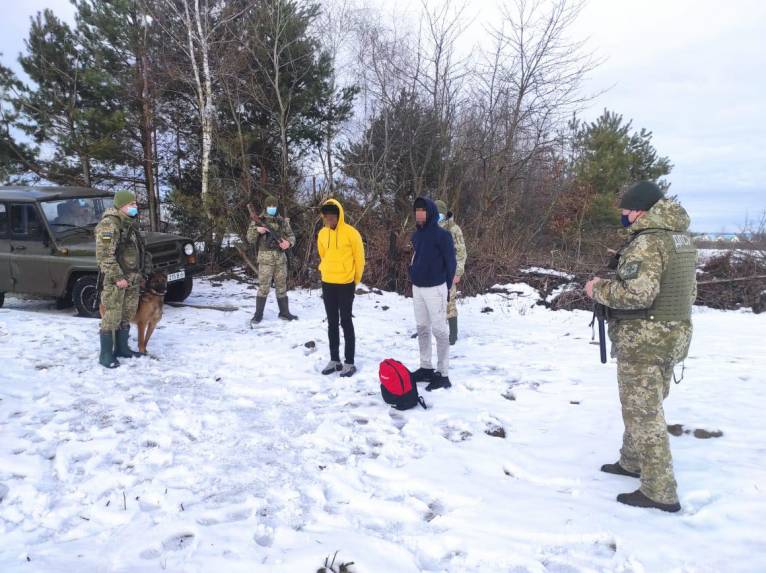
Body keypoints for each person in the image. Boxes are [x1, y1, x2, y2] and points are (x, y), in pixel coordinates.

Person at [584, 181, 697, 513]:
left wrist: (598, 288)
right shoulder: (681, 240)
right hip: (672, 335)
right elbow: (690, 293)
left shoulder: (647, 243)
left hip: (644, 341)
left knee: (643, 413)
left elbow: (638, 294)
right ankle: (631, 461)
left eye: (626, 211)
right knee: (644, 405)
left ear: (641, 211)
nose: (623, 216)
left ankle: (659, 490)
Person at [409, 197, 457, 391]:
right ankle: (426, 367)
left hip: (436, 288)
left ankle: (443, 373)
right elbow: (416, 257)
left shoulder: (443, 236)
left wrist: (445, 288)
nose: (419, 214)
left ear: (429, 212)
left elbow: (451, 263)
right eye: (416, 211)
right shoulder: (416, 236)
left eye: (422, 210)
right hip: (417, 288)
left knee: (440, 331)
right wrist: (411, 272)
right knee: (422, 328)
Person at [95, 191, 146, 368]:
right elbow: (104, 256)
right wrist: (117, 277)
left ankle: (122, 348)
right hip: (117, 280)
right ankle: (106, 355)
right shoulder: (109, 225)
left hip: (132, 278)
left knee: (127, 314)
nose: (135, 207)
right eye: (131, 204)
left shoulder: (128, 224)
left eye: (136, 204)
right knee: (112, 315)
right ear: (121, 205)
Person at [317, 198, 365, 377]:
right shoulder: (322, 233)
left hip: (346, 283)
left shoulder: (351, 233)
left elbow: (359, 259)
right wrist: (326, 271)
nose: (329, 218)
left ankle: (349, 362)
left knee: (345, 321)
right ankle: (334, 359)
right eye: (326, 215)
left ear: (339, 215)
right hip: (328, 282)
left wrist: (355, 280)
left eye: (332, 214)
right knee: (331, 322)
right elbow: (323, 254)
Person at [246, 195, 297, 324]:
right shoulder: (259, 220)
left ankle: (284, 313)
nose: (272, 208)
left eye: (274, 206)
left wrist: (288, 243)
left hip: (280, 259)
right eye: (270, 206)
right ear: (266, 206)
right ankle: (258, 315)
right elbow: (250, 239)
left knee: (282, 287)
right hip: (265, 260)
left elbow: (292, 236)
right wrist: (256, 230)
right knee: (264, 287)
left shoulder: (282, 221)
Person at [435, 199, 467, 345]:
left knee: (449, 302)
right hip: (432, 273)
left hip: (448, 273)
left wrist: (458, 273)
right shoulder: (429, 228)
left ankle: (453, 334)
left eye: (439, 214)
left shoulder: (454, 230)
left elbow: (461, 253)